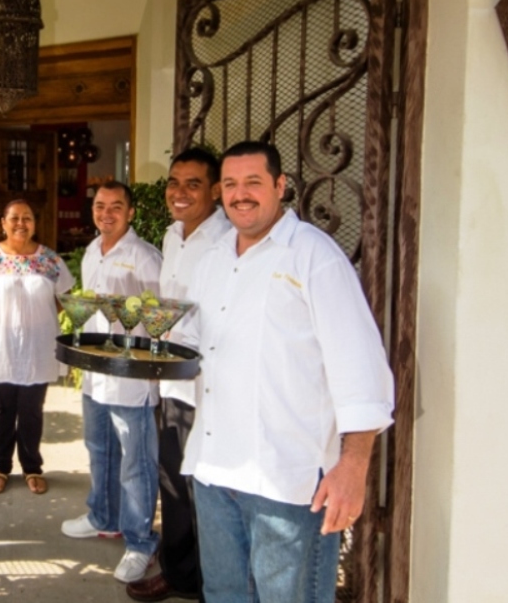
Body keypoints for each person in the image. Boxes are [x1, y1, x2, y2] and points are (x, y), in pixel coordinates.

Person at [182, 142, 394, 603]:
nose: (241, 194)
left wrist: (353, 466)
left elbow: (360, 366)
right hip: (215, 470)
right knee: (223, 594)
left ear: (280, 186)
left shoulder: (314, 255)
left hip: (287, 480)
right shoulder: (213, 259)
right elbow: (192, 345)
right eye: (231, 184)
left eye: (253, 182)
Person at [127, 148, 231, 603]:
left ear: (215, 190)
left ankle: (215, 584)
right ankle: (180, 574)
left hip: (208, 386)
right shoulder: (172, 235)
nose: (179, 192)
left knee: (209, 491)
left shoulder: (228, 240)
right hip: (172, 381)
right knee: (172, 482)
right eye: (174, 182)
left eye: (193, 184)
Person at [62, 181, 164, 584]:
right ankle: (103, 517)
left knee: (136, 464)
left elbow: (159, 317)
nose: (107, 213)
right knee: (99, 448)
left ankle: (141, 542)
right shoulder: (92, 250)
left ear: (130, 212)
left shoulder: (144, 256)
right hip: (96, 371)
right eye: (100, 206)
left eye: (116, 206)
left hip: (131, 376)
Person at [0, 199, 74, 495]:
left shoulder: (50, 259)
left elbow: (64, 297)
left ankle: (31, 467)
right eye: (14, 218)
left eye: (27, 218)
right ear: (2, 223)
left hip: (38, 346)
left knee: (31, 409)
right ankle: (1, 466)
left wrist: (37, 317)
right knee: (2, 408)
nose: (21, 223)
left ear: (35, 223)